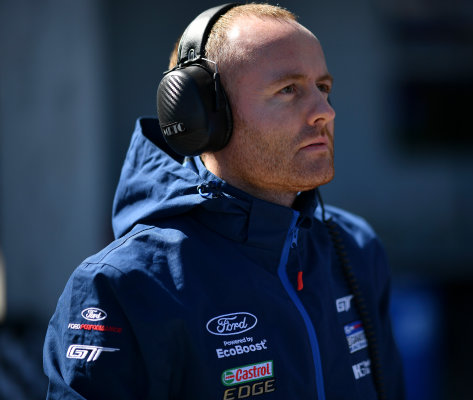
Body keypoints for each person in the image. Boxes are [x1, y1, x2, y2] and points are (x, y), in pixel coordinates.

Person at [43, 3, 404, 399]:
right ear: (201, 116)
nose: (324, 112)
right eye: (288, 90)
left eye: (323, 88)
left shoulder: (355, 248)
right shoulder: (123, 285)